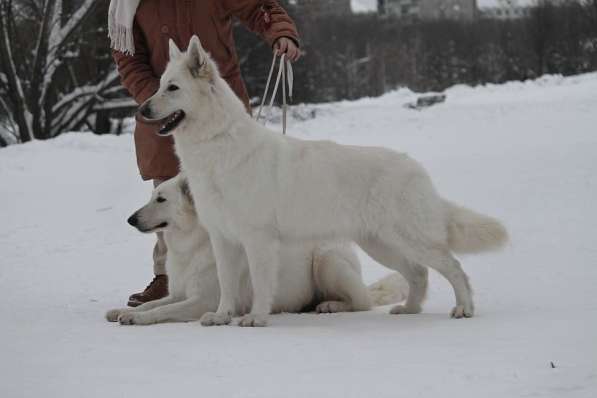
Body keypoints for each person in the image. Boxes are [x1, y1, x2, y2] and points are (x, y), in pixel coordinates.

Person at [109, 0, 300, 307]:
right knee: (171, 199)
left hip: (221, 115)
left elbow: (258, 8)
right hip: (166, 115)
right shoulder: (129, 5)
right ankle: (169, 278)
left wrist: (281, 34)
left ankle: (246, 277)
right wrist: (160, 99)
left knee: (237, 199)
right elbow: (128, 60)